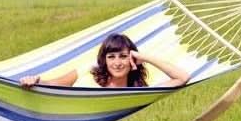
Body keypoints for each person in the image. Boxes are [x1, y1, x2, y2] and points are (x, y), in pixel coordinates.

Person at [19, 32, 190, 89]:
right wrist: (36, 81)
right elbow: (55, 84)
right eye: (111, 57)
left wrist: (143, 57)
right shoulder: (87, 72)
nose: (117, 62)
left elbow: (183, 77)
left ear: (132, 59)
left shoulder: (136, 92)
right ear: (104, 60)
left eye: (123, 56)